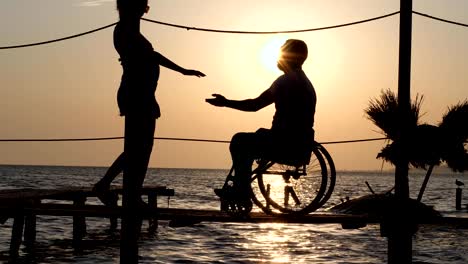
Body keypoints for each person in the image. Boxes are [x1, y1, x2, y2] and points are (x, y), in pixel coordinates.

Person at [93, 0, 205, 207]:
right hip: (136, 94)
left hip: (144, 94)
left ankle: (123, 189)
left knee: (142, 147)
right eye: (141, 6)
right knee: (138, 146)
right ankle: (117, 188)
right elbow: (151, 55)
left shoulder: (130, 29)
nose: (144, 11)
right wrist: (183, 70)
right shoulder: (125, 30)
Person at [206, 39, 316, 201]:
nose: (278, 58)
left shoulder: (284, 81)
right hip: (300, 144)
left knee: (239, 140)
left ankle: (241, 189)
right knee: (254, 138)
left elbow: (254, 105)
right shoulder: (308, 84)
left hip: (282, 143)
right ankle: (241, 187)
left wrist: (226, 103)